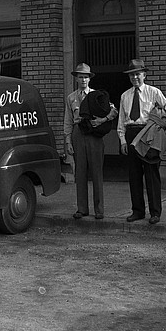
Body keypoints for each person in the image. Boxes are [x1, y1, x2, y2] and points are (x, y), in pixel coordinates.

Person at [117, 59, 166, 225]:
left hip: (149, 133)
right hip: (131, 134)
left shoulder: (153, 92)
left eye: (138, 74)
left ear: (144, 75)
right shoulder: (125, 96)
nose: (135, 77)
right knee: (134, 175)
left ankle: (155, 212)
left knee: (152, 174)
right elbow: (122, 120)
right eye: (132, 75)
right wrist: (122, 140)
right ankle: (137, 211)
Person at [63, 63, 117, 220]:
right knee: (80, 173)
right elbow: (68, 120)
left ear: (90, 79)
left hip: (94, 134)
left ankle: (99, 210)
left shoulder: (97, 95)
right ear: (76, 79)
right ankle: (82, 209)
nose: (83, 80)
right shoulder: (71, 97)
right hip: (78, 133)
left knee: (96, 172)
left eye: (86, 77)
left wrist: (101, 121)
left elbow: (114, 110)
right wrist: (68, 140)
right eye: (80, 77)